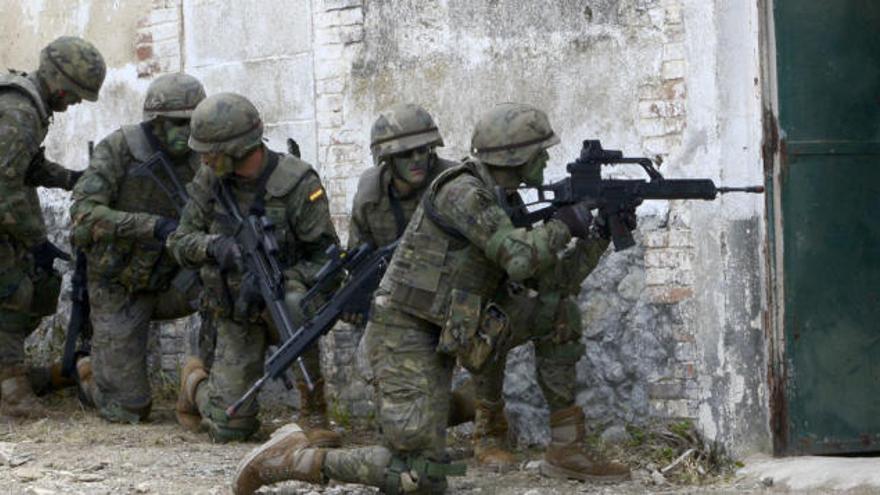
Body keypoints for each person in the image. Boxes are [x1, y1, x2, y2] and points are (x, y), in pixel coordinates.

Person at [232, 103, 629, 494]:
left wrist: (599, 236)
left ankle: (566, 448)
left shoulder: (500, 198)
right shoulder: (463, 192)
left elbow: (554, 280)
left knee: (556, 309)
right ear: (515, 157)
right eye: (541, 152)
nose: (546, 159)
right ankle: (289, 460)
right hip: (406, 332)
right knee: (418, 476)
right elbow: (521, 258)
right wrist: (564, 224)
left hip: (454, 325)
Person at [169, 92, 340, 443]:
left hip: (284, 303)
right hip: (235, 310)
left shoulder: (297, 182)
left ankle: (313, 410)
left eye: (209, 151)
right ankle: (195, 384)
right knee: (230, 427)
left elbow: (327, 259)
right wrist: (215, 246)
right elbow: (178, 241)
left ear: (236, 148)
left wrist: (286, 280)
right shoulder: (209, 179)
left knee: (295, 305)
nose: (201, 158)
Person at [68, 72, 208, 423]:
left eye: (192, 123)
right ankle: (89, 373)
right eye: (177, 123)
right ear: (156, 122)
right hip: (120, 283)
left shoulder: (203, 155)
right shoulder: (119, 149)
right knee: (127, 409)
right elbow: (83, 215)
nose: (185, 132)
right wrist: (152, 226)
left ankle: (213, 385)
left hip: (175, 279)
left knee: (234, 286)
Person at [0, 36, 106, 418]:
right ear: (59, 83)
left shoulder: (28, 105)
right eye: (75, 95)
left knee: (39, 288)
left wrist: (71, 178)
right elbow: (4, 188)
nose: (74, 103)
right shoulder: (20, 110)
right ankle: (12, 398)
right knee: (13, 292)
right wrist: (37, 241)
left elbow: (27, 166)